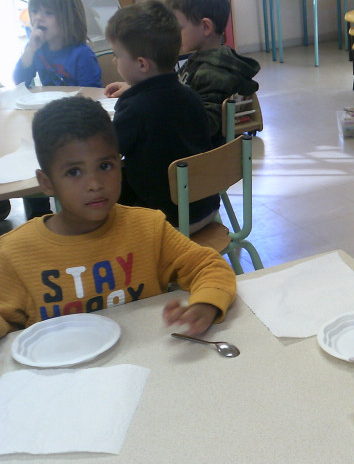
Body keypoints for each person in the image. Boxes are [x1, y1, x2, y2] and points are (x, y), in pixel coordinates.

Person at [0, 96, 237, 340]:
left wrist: (205, 304)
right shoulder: (14, 253)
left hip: (145, 355)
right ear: (47, 182)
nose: (94, 184)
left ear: (119, 164)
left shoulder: (148, 228)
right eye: (74, 172)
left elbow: (208, 266)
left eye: (105, 166)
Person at [104, 0, 220, 230]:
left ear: (142, 64)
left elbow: (106, 151)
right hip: (207, 209)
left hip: (166, 221)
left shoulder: (134, 109)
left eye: (116, 54)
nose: (114, 60)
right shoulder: (191, 96)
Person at [105, 0, 260, 147]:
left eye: (178, 28)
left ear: (206, 27)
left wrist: (154, 108)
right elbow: (172, 88)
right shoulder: (201, 59)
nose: (172, 34)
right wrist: (139, 88)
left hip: (202, 156)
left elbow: (205, 125)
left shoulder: (214, 72)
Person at [13, 0, 102, 220]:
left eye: (48, 13)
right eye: (35, 11)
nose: (39, 19)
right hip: (49, 119)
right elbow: (19, 80)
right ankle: (37, 215)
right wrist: (30, 49)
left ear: (67, 17)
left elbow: (93, 97)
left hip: (76, 125)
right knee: (31, 158)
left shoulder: (81, 54)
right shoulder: (39, 49)